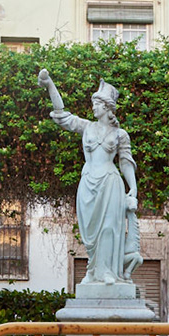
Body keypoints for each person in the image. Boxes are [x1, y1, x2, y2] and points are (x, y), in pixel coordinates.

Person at [36, 68, 141, 285]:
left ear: (106, 107)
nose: (92, 107)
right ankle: (93, 271)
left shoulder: (120, 134)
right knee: (91, 234)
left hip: (111, 184)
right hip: (89, 184)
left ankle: (108, 272)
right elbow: (62, 116)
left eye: (96, 104)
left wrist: (133, 189)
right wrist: (50, 85)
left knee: (110, 228)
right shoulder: (87, 127)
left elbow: (125, 161)